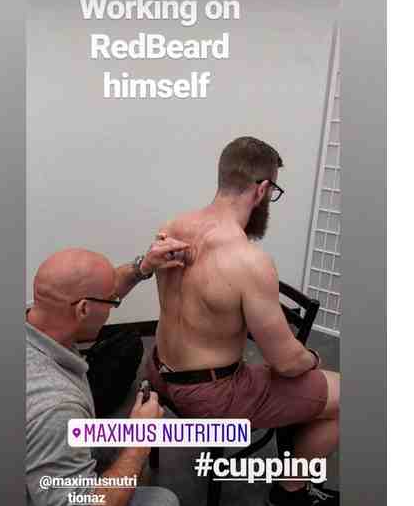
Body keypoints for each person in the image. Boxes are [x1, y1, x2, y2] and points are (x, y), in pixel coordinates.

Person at [146, 137, 341, 506]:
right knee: (344, 395)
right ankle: (290, 492)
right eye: (272, 193)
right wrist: (313, 359)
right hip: (210, 398)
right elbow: (286, 363)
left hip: (158, 370)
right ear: (262, 189)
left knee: (300, 385)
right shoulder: (249, 260)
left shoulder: (172, 227)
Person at [26, 236, 188, 506]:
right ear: (83, 309)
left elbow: (98, 293)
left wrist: (142, 267)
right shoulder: (56, 408)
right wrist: (140, 439)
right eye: (112, 302)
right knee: (163, 500)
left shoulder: (37, 314)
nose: (114, 304)